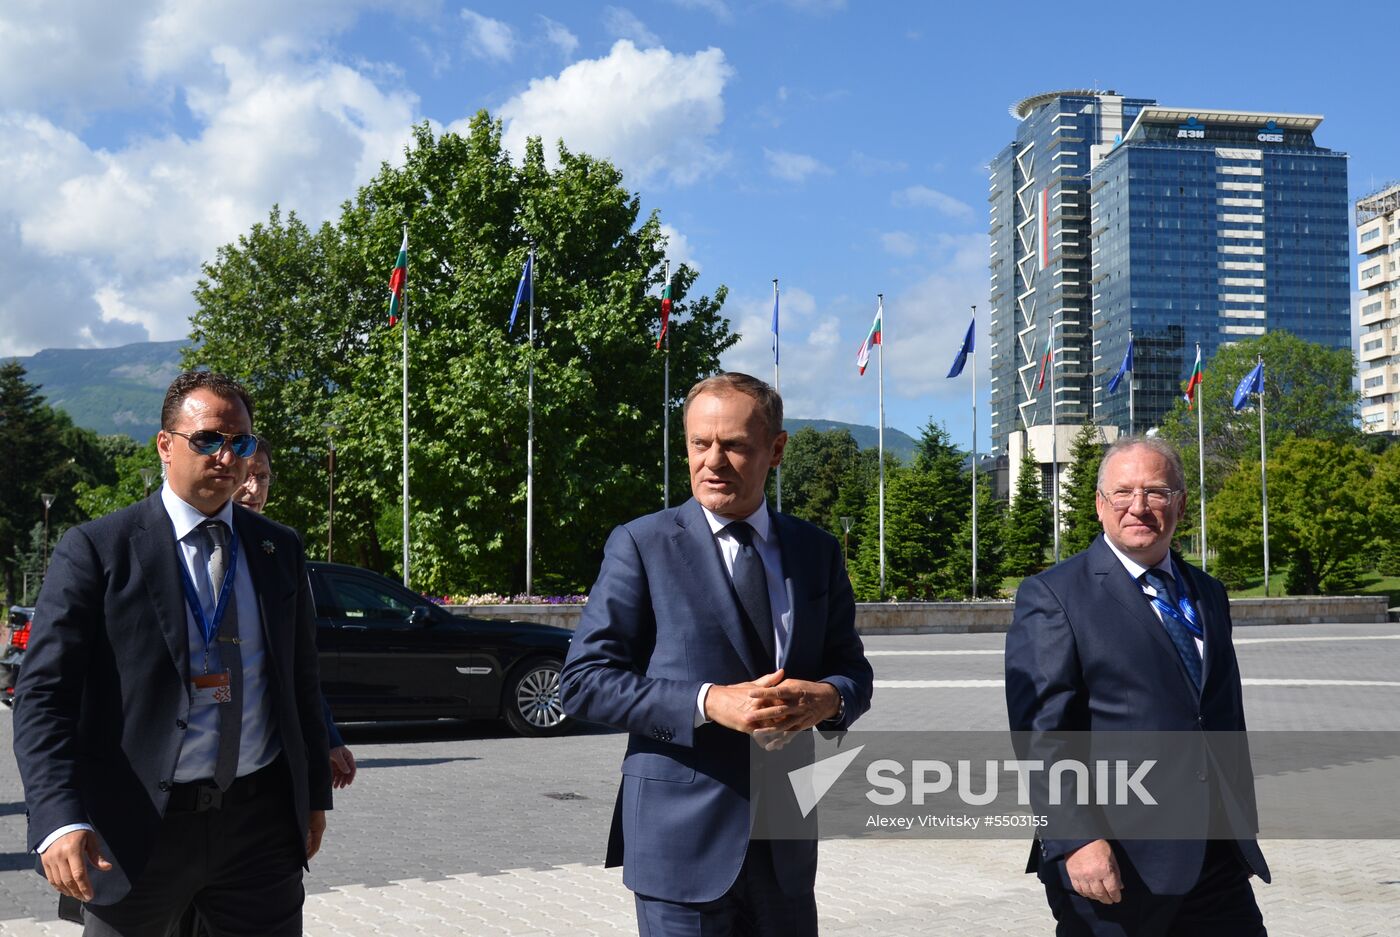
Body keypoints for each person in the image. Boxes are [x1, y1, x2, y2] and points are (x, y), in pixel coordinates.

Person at [13, 371, 332, 936]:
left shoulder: (277, 548)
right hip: (137, 830)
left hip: (258, 828)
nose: (227, 457)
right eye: (207, 439)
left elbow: (299, 680)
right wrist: (58, 817)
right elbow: (43, 698)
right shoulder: (98, 550)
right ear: (165, 444)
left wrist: (311, 796)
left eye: (241, 442)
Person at [560, 371, 874, 936]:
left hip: (784, 846)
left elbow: (851, 670)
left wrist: (828, 699)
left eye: (734, 445)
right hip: (680, 846)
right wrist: (708, 702)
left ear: (776, 450)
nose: (713, 462)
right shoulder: (642, 544)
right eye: (699, 443)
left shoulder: (817, 551)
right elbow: (584, 682)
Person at [1004, 435, 1269, 936]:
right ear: (1100, 505)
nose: (1139, 506)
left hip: (1216, 856)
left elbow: (1215, 715)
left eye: (1157, 492)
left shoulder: (1208, 593)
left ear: (1181, 504)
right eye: (1123, 492)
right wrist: (1077, 839)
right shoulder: (1054, 596)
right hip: (1115, 863)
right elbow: (1042, 735)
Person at [235, 438, 356, 789]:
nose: (254, 489)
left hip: (266, 764)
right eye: (246, 475)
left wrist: (329, 738)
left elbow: (298, 665)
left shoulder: (280, 550)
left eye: (263, 477)